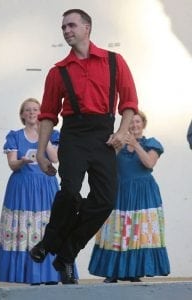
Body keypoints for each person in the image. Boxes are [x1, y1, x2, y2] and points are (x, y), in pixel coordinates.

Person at [30, 9, 138, 284]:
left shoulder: (115, 61)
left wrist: (122, 133)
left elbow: (129, 104)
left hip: (104, 137)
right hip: (74, 136)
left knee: (104, 201)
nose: (66, 31)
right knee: (69, 192)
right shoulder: (58, 72)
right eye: (63, 27)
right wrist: (42, 153)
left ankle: (64, 252)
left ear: (87, 28)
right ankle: (52, 243)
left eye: (71, 25)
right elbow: (47, 117)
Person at [0, 98, 79, 284]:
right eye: (28, 110)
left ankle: (50, 274)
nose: (32, 113)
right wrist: (22, 161)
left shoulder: (52, 135)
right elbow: (12, 165)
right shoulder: (14, 136)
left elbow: (55, 158)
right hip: (22, 187)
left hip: (45, 186)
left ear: (41, 113)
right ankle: (22, 273)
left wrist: (42, 136)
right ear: (22, 114)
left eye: (35, 109)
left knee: (49, 224)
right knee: (21, 227)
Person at [88, 110, 170, 282]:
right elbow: (107, 164)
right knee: (116, 230)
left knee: (138, 232)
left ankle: (135, 271)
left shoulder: (151, 143)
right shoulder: (118, 144)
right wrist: (118, 146)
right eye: (131, 122)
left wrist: (135, 144)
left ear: (143, 124)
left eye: (138, 122)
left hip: (143, 193)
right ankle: (112, 272)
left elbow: (149, 163)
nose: (134, 125)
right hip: (120, 191)